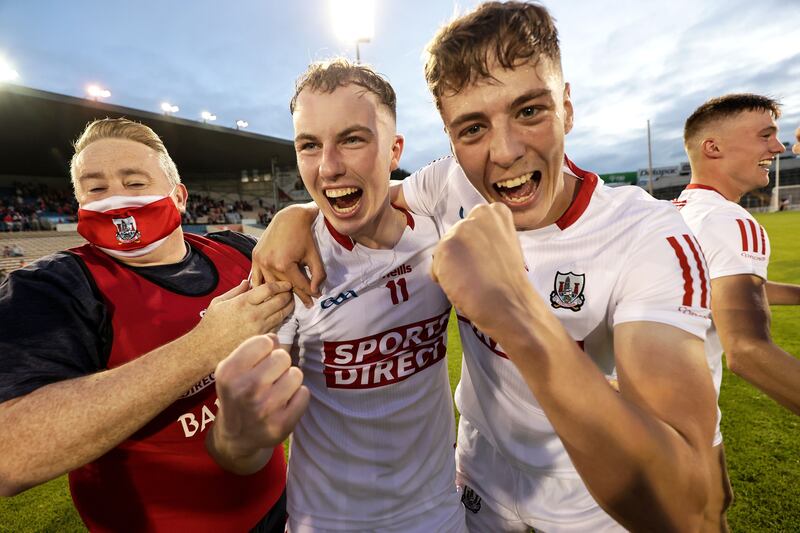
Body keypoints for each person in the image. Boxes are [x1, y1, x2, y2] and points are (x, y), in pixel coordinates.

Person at [251, 3, 718, 532]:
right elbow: (366, 192)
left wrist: (515, 314)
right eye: (472, 128)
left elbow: (687, 510)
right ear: (451, 141)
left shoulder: (648, 236)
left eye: (529, 111)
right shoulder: (448, 186)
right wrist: (294, 215)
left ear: (566, 107)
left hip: (592, 509)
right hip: (478, 495)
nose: (504, 152)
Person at [0, 118, 303, 532]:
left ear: (178, 196)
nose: (115, 200)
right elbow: (9, 457)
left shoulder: (237, 250)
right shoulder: (54, 286)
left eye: (134, 182)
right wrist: (204, 347)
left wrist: (296, 213)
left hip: (280, 505)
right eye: (96, 188)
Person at [210, 59, 466, 533]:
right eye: (309, 145)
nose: (328, 167)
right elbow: (241, 456)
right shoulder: (288, 268)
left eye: (352, 139)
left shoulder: (439, 228)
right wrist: (236, 436)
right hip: (326, 522)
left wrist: (295, 210)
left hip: (438, 514)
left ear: (394, 150)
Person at [675, 94, 800, 529]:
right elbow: (746, 351)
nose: (778, 148)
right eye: (766, 135)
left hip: (632, 400)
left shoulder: (673, 213)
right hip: (677, 411)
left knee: (715, 500)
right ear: (714, 147)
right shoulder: (731, 221)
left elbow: (718, 293)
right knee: (706, 515)